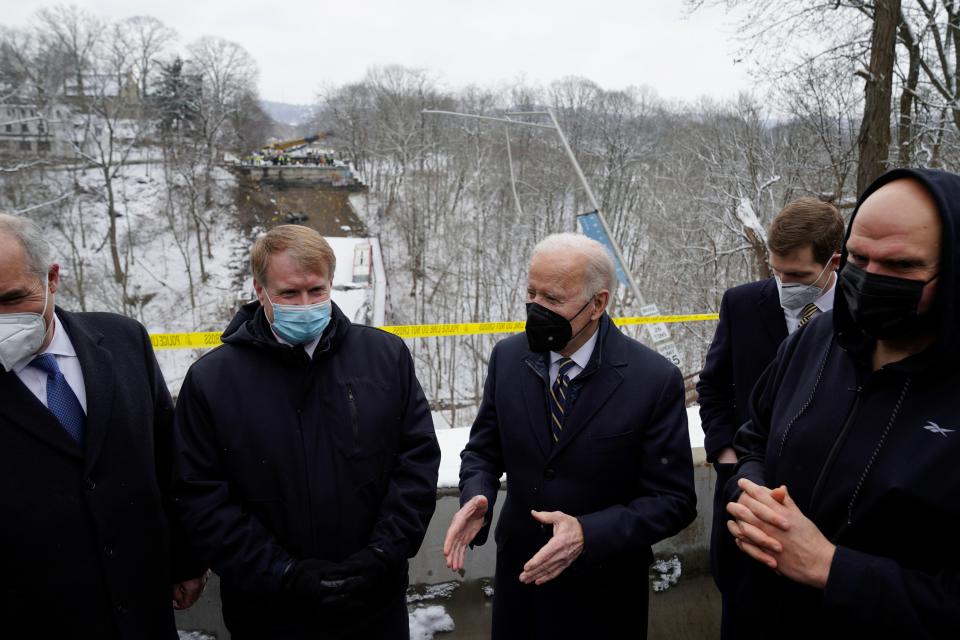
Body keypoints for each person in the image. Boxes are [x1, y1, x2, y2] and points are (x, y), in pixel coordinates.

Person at [172, 224, 440, 639]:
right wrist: (284, 572)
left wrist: (381, 554)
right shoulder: (212, 381)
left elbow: (416, 462)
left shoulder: (385, 358)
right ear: (259, 291)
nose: (306, 304)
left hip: (373, 600)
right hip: (270, 610)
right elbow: (201, 495)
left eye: (317, 291)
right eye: (289, 294)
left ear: (332, 284)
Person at [724, 168, 960, 639]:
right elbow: (755, 437)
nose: (871, 280)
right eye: (858, 258)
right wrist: (752, 494)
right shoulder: (816, 338)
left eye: (902, 267)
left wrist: (829, 567)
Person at [444, 233, 697, 639]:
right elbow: (483, 452)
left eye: (553, 299)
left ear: (598, 303)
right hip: (519, 586)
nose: (536, 309)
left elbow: (674, 501)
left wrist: (587, 532)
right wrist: (478, 495)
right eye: (531, 294)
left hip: (603, 594)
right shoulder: (507, 358)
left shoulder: (652, 380)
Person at [0, 213, 206, 639]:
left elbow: (169, 461)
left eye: (12, 299)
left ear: (52, 278)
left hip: (144, 607)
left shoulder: (124, 339)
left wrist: (186, 561)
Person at [696, 198, 844, 636]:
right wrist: (726, 457)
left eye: (797, 275)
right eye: (777, 272)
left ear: (833, 262)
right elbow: (714, 386)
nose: (784, 285)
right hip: (746, 495)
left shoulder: (864, 310)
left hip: (825, 513)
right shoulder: (742, 304)